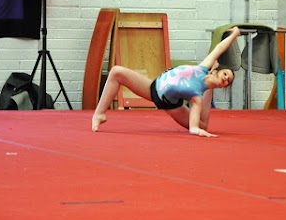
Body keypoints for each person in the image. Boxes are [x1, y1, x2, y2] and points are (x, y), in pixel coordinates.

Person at [92, 27, 241, 137]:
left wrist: (197, 129)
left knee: (202, 125)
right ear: (216, 71)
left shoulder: (197, 97)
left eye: (227, 81)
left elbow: (193, 128)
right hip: (153, 86)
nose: (226, 78)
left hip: (169, 104)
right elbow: (219, 47)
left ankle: (210, 89)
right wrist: (234, 34)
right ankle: (99, 114)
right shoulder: (203, 67)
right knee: (116, 71)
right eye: (226, 74)